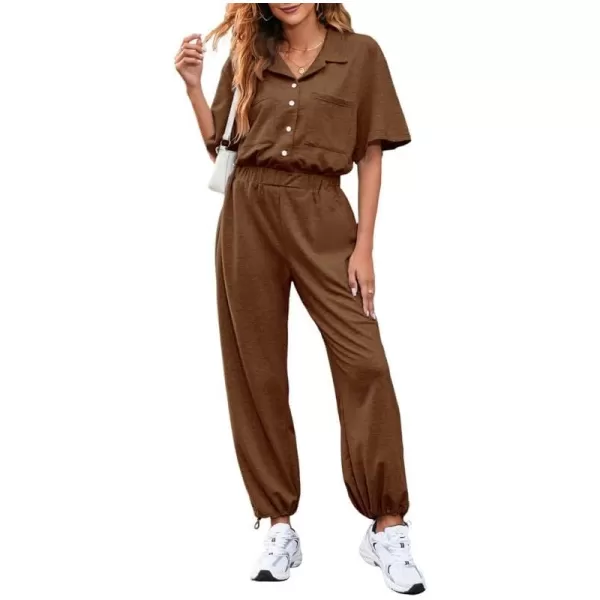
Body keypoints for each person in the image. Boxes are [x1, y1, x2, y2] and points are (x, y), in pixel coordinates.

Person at [175, 3, 425, 594]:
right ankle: (278, 523)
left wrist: (364, 247)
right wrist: (192, 87)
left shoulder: (360, 54)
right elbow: (222, 149)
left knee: (364, 362)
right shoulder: (247, 55)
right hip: (248, 213)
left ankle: (387, 525)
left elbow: (370, 154)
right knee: (256, 369)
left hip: (323, 213)